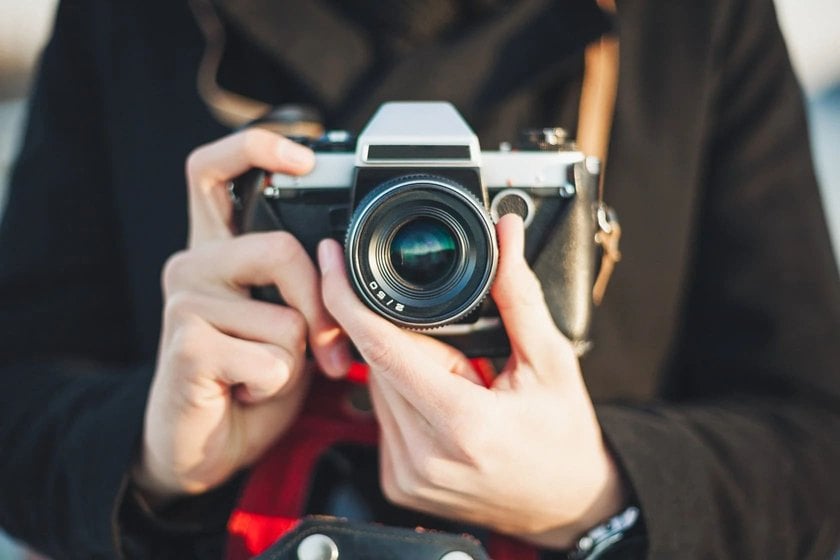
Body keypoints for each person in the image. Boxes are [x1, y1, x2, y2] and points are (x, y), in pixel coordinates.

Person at [1, 0, 839, 558]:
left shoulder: (693, 21)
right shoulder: (131, 17)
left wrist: (597, 490)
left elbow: (816, 437)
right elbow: (15, 399)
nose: (411, 252)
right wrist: (151, 455)